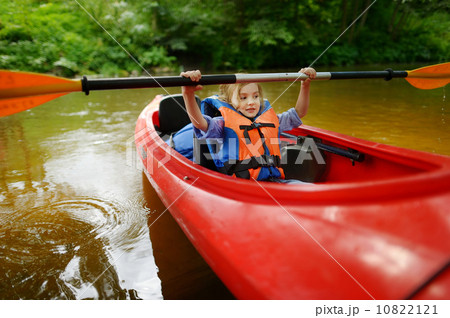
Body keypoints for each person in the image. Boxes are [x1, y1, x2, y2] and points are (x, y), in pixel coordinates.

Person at [180, 68, 316, 183]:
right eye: (243, 98)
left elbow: (299, 112)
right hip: (240, 187)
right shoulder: (222, 124)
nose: (251, 102)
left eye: (255, 96)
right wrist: (188, 94)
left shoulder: (273, 119)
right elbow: (200, 123)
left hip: (275, 182)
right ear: (229, 101)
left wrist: (305, 85)